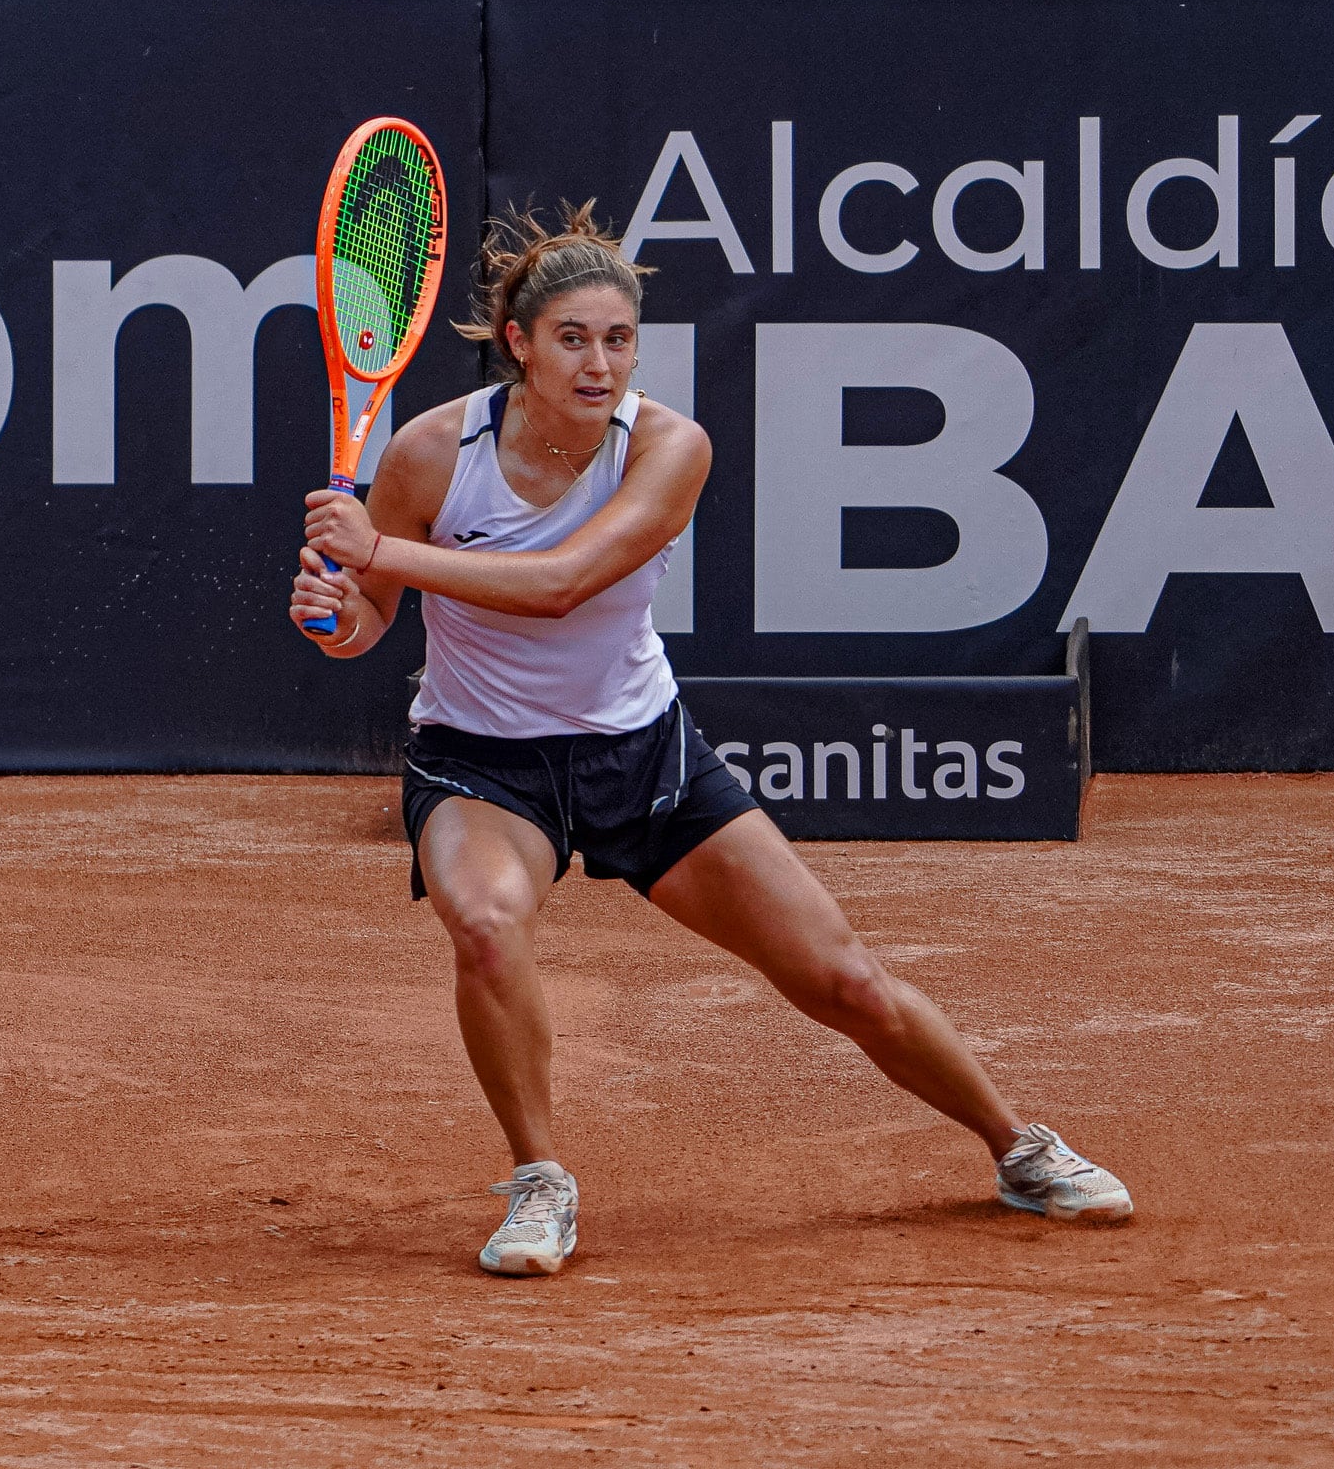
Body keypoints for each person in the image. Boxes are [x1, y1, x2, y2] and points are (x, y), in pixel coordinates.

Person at [286, 205, 1131, 1277]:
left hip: (641, 752)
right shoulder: (430, 452)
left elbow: (562, 585)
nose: (600, 363)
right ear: (520, 343)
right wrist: (336, 604)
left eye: (619, 338)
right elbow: (366, 625)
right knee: (488, 921)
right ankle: (540, 1177)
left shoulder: (670, 444)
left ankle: (1017, 1147)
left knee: (843, 979)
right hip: (480, 759)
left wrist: (386, 553)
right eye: (573, 339)